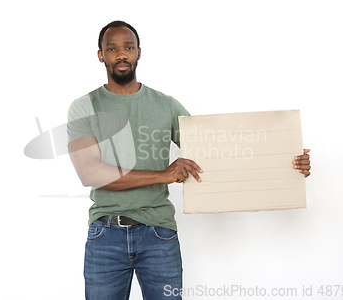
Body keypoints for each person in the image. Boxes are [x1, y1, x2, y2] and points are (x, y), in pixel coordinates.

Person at [67, 20, 311, 300]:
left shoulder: (165, 105)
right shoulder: (84, 107)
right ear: (100, 55)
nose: (121, 55)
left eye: (128, 48)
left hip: (159, 234)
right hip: (105, 235)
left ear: (139, 53)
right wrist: (163, 175)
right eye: (112, 49)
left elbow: (213, 153)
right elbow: (90, 173)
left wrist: (285, 163)